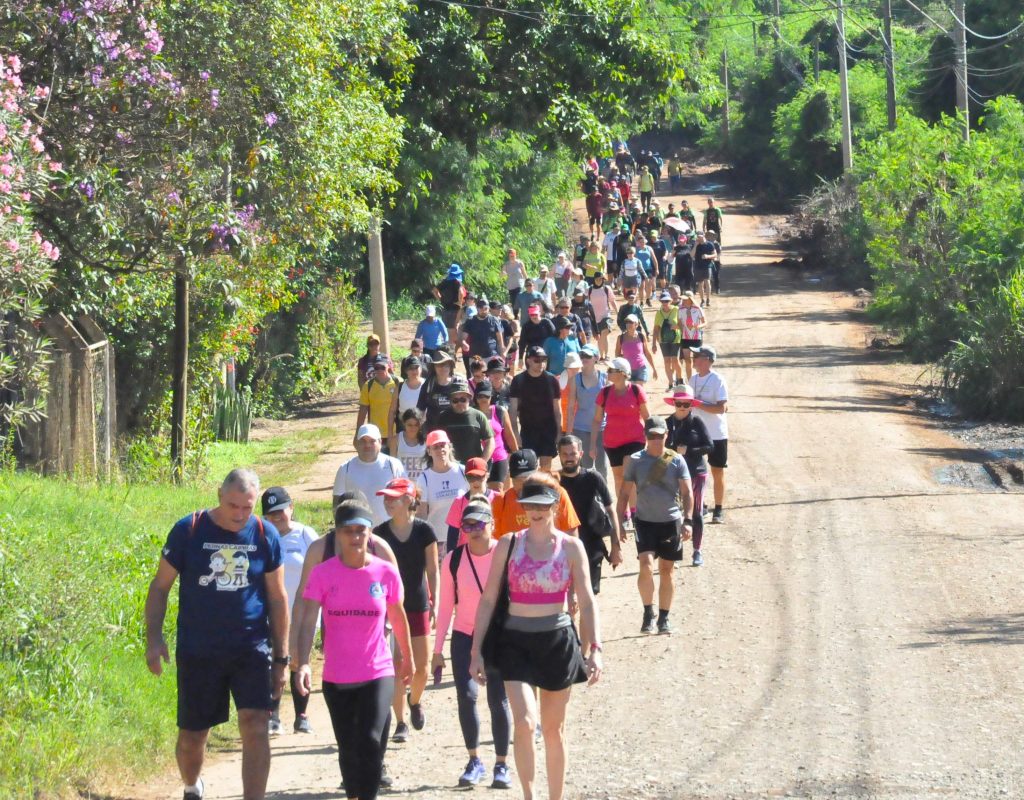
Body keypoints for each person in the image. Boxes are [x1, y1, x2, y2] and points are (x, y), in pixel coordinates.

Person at [145, 469, 289, 800]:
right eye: (232, 505)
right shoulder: (189, 530)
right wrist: (154, 639)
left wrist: (281, 658)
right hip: (199, 651)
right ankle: (192, 785)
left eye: (247, 508)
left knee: (255, 726)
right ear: (218, 494)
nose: (239, 515)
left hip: (251, 648)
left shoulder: (266, 535)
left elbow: (278, 598)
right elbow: (160, 587)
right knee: (192, 738)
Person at [469, 475, 602, 800]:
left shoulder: (571, 547)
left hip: (556, 642)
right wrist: (476, 651)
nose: (536, 511)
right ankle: (529, 796)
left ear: (555, 506)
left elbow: (586, 600)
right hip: (515, 643)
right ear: (523, 507)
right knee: (526, 723)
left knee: (554, 730)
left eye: (543, 505)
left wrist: (595, 648)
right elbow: (488, 599)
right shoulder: (508, 543)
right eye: (530, 505)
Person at [295, 500, 413, 800]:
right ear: (337, 533)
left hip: (378, 671)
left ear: (370, 533)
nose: (355, 537)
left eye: (361, 531)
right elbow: (309, 618)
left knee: (372, 741)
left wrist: (407, 658)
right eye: (348, 531)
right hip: (337, 676)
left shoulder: (385, 572)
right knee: (348, 748)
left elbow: (398, 616)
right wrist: (304, 662)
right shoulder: (323, 573)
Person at [433, 498, 513, 788]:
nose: (475, 530)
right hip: (464, 635)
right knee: (466, 698)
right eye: (468, 525)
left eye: (480, 523)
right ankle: (474, 759)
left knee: (497, 700)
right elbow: (444, 608)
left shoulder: (504, 554)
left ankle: (502, 764)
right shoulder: (452, 559)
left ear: (491, 524)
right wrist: (437, 649)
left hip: (498, 636)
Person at [373, 478, 439, 743]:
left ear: (409, 500)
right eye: (386, 498)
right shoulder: (379, 533)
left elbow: (433, 570)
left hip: (418, 603)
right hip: (390, 606)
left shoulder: (425, 531)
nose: (388, 502)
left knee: (421, 668)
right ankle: (400, 722)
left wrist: (435, 601)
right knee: (399, 664)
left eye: (394, 498)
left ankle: (415, 701)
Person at [617, 416, 694, 635]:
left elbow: (687, 493)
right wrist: (620, 522)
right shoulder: (635, 460)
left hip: (670, 522)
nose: (656, 440)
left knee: (667, 570)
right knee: (646, 566)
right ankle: (648, 612)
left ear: (666, 436)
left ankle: (664, 617)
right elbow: (624, 493)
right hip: (645, 522)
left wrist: (688, 521)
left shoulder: (677, 460)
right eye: (652, 436)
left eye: (660, 436)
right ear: (646, 437)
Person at [262, 487, 319, 736]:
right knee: (272, 660)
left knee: (297, 659)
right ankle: (273, 714)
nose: (276, 518)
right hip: (271, 611)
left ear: (291, 508)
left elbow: (322, 569)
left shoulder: (306, 535)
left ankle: (301, 715)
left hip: (302, 610)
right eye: (270, 514)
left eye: (280, 511)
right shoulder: (262, 538)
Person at [557, 435, 621, 594]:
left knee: (589, 593)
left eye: (572, 453)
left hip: (592, 545)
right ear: (559, 455)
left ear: (581, 454)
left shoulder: (593, 478)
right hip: (562, 546)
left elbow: (611, 511)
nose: (569, 458)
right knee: (565, 594)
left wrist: (616, 547)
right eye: (565, 454)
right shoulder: (553, 481)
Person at [664, 386, 713, 566]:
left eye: (686, 403)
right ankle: (676, 550)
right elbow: (660, 449)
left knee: (696, 512)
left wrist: (689, 451)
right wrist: (674, 452)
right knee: (675, 513)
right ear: (674, 404)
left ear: (692, 405)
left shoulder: (697, 422)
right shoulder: (667, 423)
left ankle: (697, 550)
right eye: (679, 403)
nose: (683, 407)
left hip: (697, 473)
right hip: (674, 475)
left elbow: (709, 446)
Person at [591, 357, 650, 501]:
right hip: (612, 442)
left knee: (628, 474)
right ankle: (624, 513)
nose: (608, 372)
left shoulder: (636, 390)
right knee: (618, 478)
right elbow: (597, 420)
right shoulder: (604, 392)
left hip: (635, 439)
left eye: (612, 370)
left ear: (623, 373)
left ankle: (635, 511)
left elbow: (647, 417)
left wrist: (652, 440)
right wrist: (592, 444)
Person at [492, 449, 580, 538]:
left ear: (538, 471)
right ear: (510, 477)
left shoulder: (556, 494)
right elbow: (495, 540)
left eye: (528, 479)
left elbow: (571, 532)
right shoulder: (501, 501)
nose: (523, 484)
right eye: (518, 480)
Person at [332, 424, 406, 526]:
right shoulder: (345, 468)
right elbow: (337, 504)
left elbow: (405, 498)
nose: (367, 445)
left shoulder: (394, 465)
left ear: (380, 443)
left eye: (372, 441)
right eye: (363, 441)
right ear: (356, 444)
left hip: (389, 531)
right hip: (358, 532)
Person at [689, 345, 729, 525]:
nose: (693, 358)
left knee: (717, 471)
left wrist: (698, 404)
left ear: (707, 360)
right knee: (695, 471)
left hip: (716, 433)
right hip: (696, 433)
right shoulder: (693, 379)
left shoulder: (717, 380)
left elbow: (722, 408)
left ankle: (718, 509)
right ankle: (701, 505)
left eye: (696, 356)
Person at [416, 430, 469, 556]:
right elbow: (421, 514)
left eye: (443, 445)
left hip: (464, 538)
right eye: (435, 447)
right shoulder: (424, 478)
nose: (440, 450)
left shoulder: (463, 472)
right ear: (429, 451)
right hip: (437, 540)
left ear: (449, 447)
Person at [508, 346, 562, 471]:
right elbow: (513, 410)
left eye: (544, 360)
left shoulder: (552, 380)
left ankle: (544, 490)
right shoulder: (518, 380)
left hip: (548, 430)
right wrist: (515, 433)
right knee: (528, 468)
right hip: (528, 431)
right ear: (528, 361)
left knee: (546, 468)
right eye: (537, 360)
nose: (541, 363)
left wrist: (559, 433)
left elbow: (557, 410)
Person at [567, 344, 609, 478]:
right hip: (581, 428)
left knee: (602, 465)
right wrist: (568, 433)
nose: (584, 358)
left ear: (596, 358)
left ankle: (602, 495)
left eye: (588, 356)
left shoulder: (605, 378)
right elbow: (570, 407)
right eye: (582, 356)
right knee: (584, 465)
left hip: (602, 428)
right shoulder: (575, 379)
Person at [437, 375, 495, 464]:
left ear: (469, 398)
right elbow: (437, 443)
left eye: (463, 399)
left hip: (473, 469)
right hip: (450, 467)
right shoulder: (442, 417)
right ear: (450, 401)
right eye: (455, 400)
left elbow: (490, 441)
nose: (459, 403)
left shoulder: (478, 416)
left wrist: (482, 462)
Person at [473, 380, 518, 491]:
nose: (483, 399)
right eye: (480, 396)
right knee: (480, 492)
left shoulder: (500, 411)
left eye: (486, 396)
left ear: (491, 395)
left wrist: (516, 455)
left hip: (499, 457)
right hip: (479, 459)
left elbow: (509, 435)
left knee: (497, 491)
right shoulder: (471, 413)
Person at [356, 356, 399, 451]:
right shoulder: (368, 385)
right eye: (376, 368)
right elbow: (363, 410)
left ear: (388, 367)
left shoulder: (398, 383)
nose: (379, 370)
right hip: (375, 433)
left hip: (395, 432)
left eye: (382, 367)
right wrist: (357, 434)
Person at [387, 355, 426, 450]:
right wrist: (389, 435)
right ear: (406, 371)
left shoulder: (427, 385)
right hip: (403, 426)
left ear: (421, 369)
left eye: (416, 367)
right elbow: (392, 411)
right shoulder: (400, 387)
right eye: (411, 368)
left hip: (422, 427)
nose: (414, 371)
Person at [418, 351, 457, 432]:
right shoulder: (428, 384)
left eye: (446, 365)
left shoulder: (457, 383)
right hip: (433, 430)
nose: (443, 368)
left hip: (454, 430)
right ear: (434, 367)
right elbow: (420, 409)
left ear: (450, 367)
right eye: (439, 365)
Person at [615, 314, 658, 386]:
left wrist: (654, 369)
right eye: (627, 322)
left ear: (636, 324)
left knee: (638, 390)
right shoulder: (620, 338)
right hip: (627, 370)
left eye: (631, 322)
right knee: (629, 392)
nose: (628, 324)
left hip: (641, 369)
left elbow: (647, 353)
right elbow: (617, 354)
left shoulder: (641, 336)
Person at [460, 296, 506, 362]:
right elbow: (463, 338)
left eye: (485, 308)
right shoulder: (470, 321)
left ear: (488, 308)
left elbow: (500, 340)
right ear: (477, 308)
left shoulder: (494, 320)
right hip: (475, 357)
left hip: (491, 356)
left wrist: (502, 353)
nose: (483, 311)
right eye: (480, 308)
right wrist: (463, 343)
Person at [652, 291, 682, 388]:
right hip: (663, 340)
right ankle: (670, 382)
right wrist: (653, 344)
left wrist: (676, 327)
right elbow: (656, 329)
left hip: (676, 339)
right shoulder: (658, 313)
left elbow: (682, 325)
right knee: (666, 361)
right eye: (663, 301)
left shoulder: (676, 310)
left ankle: (680, 379)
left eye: (667, 301)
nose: (665, 303)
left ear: (671, 301)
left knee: (675, 360)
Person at [433, 263, 466, 344]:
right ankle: (452, 349)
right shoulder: (457, 282)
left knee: (446, 328)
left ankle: (448, 346)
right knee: (455, 329)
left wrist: (440, 299)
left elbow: (434, 290)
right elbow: (461, 292)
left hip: (445, 309)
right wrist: (460, 302)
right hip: (455, 309)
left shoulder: (444, 282)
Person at [392, 407, 427, 482]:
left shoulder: (426, 440)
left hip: (421, 483)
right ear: (404, 423)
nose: (413, 428)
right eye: (409, 425)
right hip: (402, 482)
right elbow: (392, 464)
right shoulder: (396, 439)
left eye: (416, 425)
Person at [517, 303, 556, 369]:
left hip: (545, 354)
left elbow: (555, 336)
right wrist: (520, 358)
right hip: (532, 355)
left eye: (535, 314)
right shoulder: (526, 326)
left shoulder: (546, 322)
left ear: (539, 312)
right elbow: (522, 343)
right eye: (532, 315)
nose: (534, 316)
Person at [587, 273, 616, 360]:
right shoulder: (589, 289)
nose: (599, 281)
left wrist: (617, 312)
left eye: (600, 279)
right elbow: (586, 302)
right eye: (597, 279)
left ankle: (606, 355)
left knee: (604, 334)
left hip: (606, 315)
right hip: (594, 317)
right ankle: (601, 355)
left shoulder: (607, 289)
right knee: (599, 337)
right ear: (594, 280)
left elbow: (612, 301)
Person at [678, 292, 705, 380]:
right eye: (683, 299)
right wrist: (679, 329)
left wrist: (698, 326)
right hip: (685, 338)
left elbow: (705, 322)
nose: (683, 300)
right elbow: (679, 323)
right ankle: (690, 381)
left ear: (690, 299)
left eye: (685, 299)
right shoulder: (680, 309)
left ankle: (699, 379)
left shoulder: (697, 309)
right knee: (687, 360)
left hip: (696, 338)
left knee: (697, 360)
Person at [694, 232, 716, 308]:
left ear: (703, 236)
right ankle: (702, 300)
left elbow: (715, 255)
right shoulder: (696, 244)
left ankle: (708, 299)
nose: (699, 238)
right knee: (700, 284)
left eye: (700, 236)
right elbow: (691, 255)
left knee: (707, 282)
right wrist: (695, 245)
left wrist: (708, 256)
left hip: (707, 266)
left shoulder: (710, 244)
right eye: (698, 237)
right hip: (698, 266)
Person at [706, 230, 723, 294]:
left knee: (716, 275)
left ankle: (717, 288)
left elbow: (719, 253)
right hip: (708, 261)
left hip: (716, 261)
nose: (710, 236)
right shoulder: (706, 243)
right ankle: (710, 289)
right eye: (709, 235)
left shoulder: (717, 244)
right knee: (708, 276)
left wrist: (716, 259)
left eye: (711, 235)